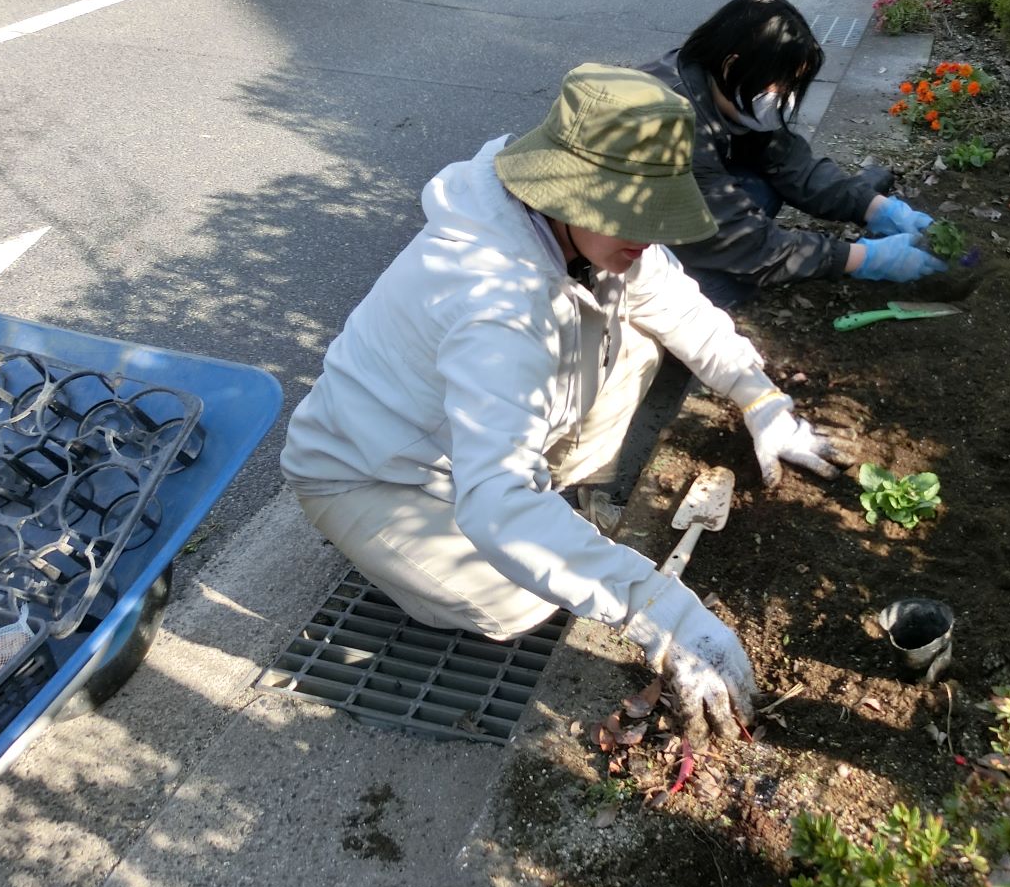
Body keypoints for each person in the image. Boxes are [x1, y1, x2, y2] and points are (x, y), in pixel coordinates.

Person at [280, 64, 848, 744]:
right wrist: (661, 611)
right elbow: (498, 503)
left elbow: (683, 311)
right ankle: (388, 548)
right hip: (372, 472)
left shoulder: (582, 231)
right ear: (567, 189)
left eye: (655, 213)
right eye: (631, 216)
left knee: (641, 337)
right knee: (517, 601)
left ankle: (535, 498)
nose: (646, 236)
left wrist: (763, 401)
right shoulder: (493, 304)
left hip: (474, 438)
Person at [640, 0, 948, 310]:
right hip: (625, 244)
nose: (786, 97)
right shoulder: (677, 125)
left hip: (676, 209)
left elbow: (793, 164)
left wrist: (877, 208)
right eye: (781, 84)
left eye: (793, 86)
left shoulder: (723, 88)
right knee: (724, 285)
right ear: (733, 65)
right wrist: (864, 258)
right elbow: (744, 244)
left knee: (764, 187)